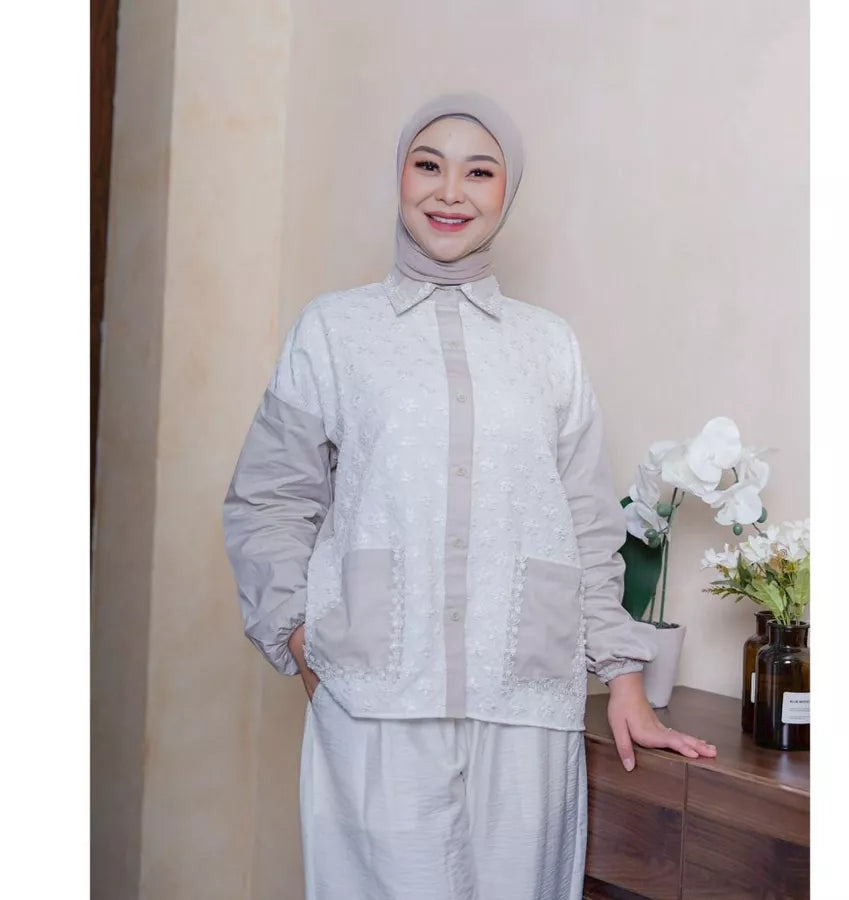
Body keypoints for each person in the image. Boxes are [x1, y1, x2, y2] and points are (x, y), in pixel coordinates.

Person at [223, 92, 717, 900]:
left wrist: (625, 679)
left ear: (505, 192)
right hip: (373, 699)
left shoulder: (548, 345)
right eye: (429, 165)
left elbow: (588, 521)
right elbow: (269, 500)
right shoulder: (333, 332)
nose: (450, 191)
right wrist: (303, 639)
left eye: (479, 172)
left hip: (524, 704)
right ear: (400, 178)